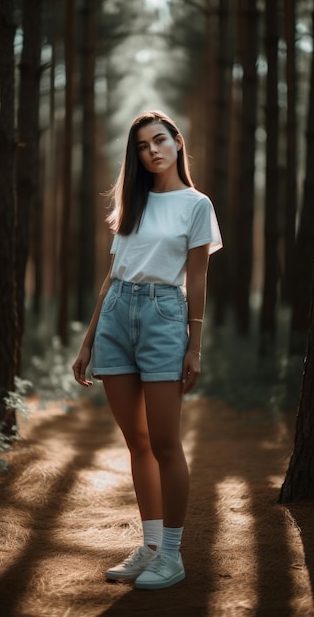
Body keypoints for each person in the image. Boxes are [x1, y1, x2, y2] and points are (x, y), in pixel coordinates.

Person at [72, 110, 222, 590]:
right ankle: (151, 546)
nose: (152, 150)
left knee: (164, 443)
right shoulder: (132, 202)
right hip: (116, 316)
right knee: (135, 442)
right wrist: (88, 339)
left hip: (163, 317)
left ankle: (173, 555)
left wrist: (194, 345)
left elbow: (196, 278)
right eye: (142, 145)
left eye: (160, 140)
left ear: (178, 142)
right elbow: (112, 275)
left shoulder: (197, 204)